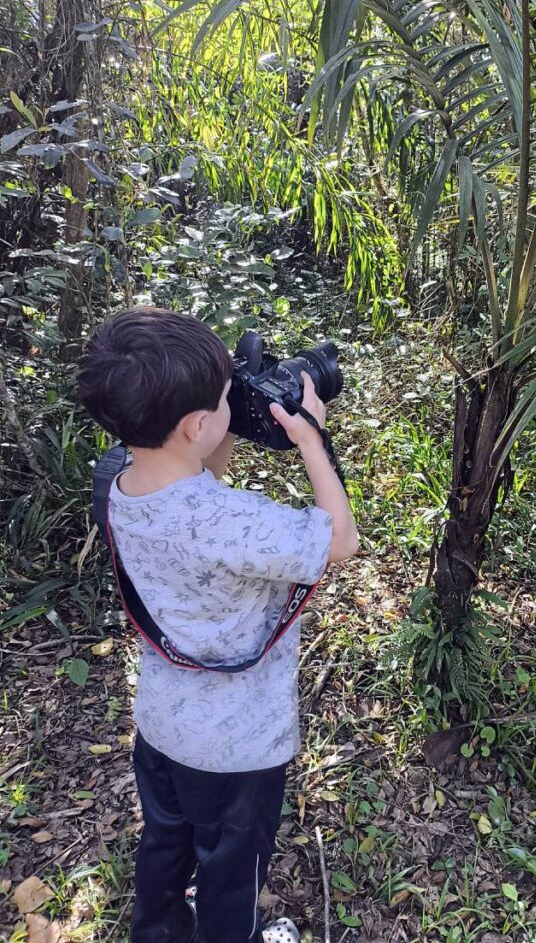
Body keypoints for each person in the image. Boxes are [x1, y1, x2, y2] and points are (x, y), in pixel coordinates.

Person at [77, 307, 359, 943]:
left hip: (163, 726)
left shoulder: (118, 484)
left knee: (166, 842)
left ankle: (157, 932)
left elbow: (196, 480)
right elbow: (340, 541)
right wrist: (311, 438)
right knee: (231, 870)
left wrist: (221, 418)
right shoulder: (238, 524)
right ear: (197, 424)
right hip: (237, 747)